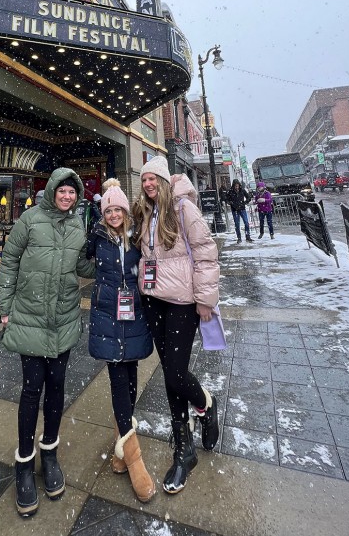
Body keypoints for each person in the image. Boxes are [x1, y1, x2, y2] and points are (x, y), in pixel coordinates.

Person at [0, 168, 95, 518]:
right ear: (53, 190)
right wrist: (3, 307)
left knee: (57, 387)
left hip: (64, 318)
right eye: (63, 191)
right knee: (31, 388)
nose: (67, 197)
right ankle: (24, 462)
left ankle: (49, 454)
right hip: (30, 316)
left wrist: (111, 252)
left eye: (73, 193)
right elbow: (8, 261)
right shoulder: (29, 220)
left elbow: (82, 266)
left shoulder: (78, 225)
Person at [132, 156, 220, 495]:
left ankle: (205, 406)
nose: (148, 183)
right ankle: (183, 449)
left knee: (175, 374)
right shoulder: (146, 212)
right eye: (144, 179)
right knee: (170, 371)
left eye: (154, 178)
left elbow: (206, 252)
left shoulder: (184, 209)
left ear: (165, 181)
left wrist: (205, 299)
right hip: (153, 299)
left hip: (183, 303)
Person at [87, 179, 155, 503]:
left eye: (118, 209)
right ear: (104, 214)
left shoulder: (138, 238)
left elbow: (152, 265)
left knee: (130, 381)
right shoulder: (96, 238)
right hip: (108, 318)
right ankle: (135, 459)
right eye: (109, 210)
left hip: (135, 315)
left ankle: (119, 451)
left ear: (126, 211)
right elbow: (80, 264)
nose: (114, 214)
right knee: (117, 381)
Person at [227, 179, 253, 243]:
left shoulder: (242, 190)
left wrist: (245, 202)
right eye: (235, 186)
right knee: (237, 224)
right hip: (235, 209)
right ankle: (239, 238)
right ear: (233, 186)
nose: (236, 187)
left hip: (242, 209)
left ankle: (248, 236)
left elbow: (248, 197)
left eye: (237, 186)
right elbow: (227, 199)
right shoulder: (230, 191)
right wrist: (231, 203)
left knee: (246, 223)